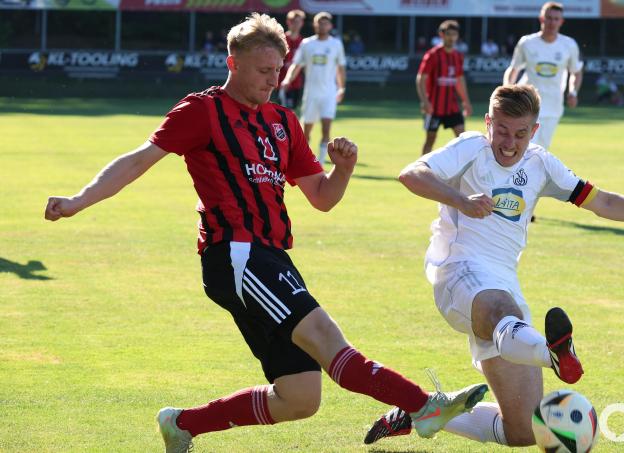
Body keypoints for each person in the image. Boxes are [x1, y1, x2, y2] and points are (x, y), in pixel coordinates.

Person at [43, 13, 488, 453]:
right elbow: (138, 160)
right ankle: (424, 406)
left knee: (299, 398)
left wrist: (344, 169)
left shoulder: (282, 121)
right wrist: (79, 201)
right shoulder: (202, 111)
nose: (273, 79)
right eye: (263, 70)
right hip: (235, 255)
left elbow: (322, 198)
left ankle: (181, 424)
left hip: (269, 255)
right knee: (328, 341)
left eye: (277, 70)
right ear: (232, 63)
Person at [363, 84, 624, 447]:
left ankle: (423, 410)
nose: (508, 142)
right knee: (503, 309)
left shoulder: (541, 163)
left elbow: (605, 203)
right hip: (457, 271)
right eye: (501, 130)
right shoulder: (470, 147)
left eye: (520, 133)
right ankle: (552, 354)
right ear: (488, 122)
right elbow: (411, 173)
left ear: (533, 130)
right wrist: (460, 200)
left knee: (524, 431)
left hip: (505, 291)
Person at [503, 1, 582, 150]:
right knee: (525, 148)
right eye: (549, 18)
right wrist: (507, 90)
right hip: (527, 104)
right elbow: (514, 69)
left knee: (540, 150)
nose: (552, 22)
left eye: (556, 19)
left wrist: (573, 92)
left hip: (553, 106)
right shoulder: (527, 43)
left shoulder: (569, 45)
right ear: (541, 19)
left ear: (561, 22)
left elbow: (576, 72)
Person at [281, 11, 346, 165]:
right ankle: (304, 162)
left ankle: (321, 164)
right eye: (319, 22)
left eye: (325, 23)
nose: (322, 25)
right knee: (306, 132)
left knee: (326, 129)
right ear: (314, 25)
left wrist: (342, 87)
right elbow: (296, 65)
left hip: (329, 94)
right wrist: (287, 79)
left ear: (330, 26)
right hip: (311, 94)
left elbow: (340, 68)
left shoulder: (336, 44)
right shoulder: (307, 44)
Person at [416, 20, 472, 155]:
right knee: (430, 139)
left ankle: (462, 171)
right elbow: (420, 79)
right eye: (448, 34)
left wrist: (466, 101)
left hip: (452, 106)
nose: (451, 38)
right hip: (434, 106)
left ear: (457, 36)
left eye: (454, 34)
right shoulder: (432, 55)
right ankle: (420, 171)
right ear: (441, 35)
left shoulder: (458, 56)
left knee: (462, 138)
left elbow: (459, 80)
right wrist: (425, 101)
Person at [278, 9, 306, 110]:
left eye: (298, 21)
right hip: (281, 81)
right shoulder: (281, 40)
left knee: (292, 111)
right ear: (288, 22)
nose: (295, 24)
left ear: (302, 23)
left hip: (296, 82)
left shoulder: (304, 42)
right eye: (293, 21)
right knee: (282, 110)